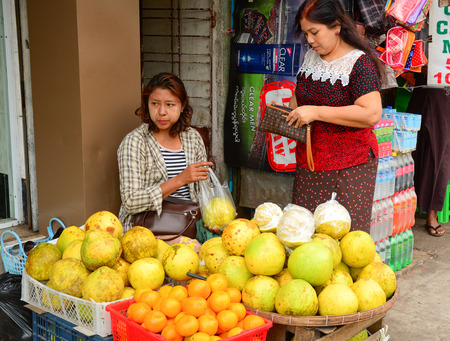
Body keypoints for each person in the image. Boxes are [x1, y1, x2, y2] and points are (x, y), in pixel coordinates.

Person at [287, 0, 384, 233]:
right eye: (305, 33)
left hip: (349, 168)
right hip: (310, 164)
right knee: (304, 237)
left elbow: (371, 113)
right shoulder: (311, 57)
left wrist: (317, 112)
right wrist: (290, 112)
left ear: (336, 26)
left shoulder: (360, 63)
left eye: (314, 32)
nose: (310, 40)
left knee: (343, 239)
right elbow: (299, 97)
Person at [117, 72, 214, 234]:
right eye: (155, 103)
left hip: (189, 226)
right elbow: (130, 201)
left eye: (170, 104)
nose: (162, 112)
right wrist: (180, 179)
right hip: (146, 232)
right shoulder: (134, 142)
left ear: (182, 106)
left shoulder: (192, 138)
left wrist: (216, 215)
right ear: (147, 104)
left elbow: (204, 190)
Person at [408, 85, 449, 237]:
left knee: (441, 155)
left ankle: (432, 213)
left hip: (445, 96)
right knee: (412, 150)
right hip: (423, 92)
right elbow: (406, 70)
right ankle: (407, 209)